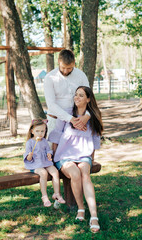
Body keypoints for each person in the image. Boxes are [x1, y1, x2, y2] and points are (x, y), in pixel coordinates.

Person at [48, 86, 103, 233]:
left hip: (84, 154)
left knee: (85, 173)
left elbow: (95, 138)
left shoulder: (92, 116)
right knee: (75, 173)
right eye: (76, 95)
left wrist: (91, 159)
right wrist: (53, 156)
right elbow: (56, 135)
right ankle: (81, 208)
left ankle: (94, 216)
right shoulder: (66, 114)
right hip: (64, 155)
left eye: (81, 95)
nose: (76, 97)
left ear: (88, 99)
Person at [44, 49, 91, 138]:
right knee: (52, 150)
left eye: (69, 68)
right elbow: (51, 104)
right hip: (55, 120)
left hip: (78, 121)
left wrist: (87, 116)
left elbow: (89, 98)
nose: (65, 71)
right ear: (58, 61)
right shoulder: (49, 77)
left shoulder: (81, 75)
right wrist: (70, 119)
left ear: (74, 63)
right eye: (63, 67)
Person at [23, 119, 65, 207]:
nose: (40, 133)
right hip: (35, 164)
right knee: (43, 173)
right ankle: (44, 197)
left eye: (42, 131)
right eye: (37, 131)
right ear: (32, 131)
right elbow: (28, 157)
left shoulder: (44, 141)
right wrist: (29, 156)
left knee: (55, 172)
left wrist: (49, 154)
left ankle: (57, 194)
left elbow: (48, 150)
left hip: (45, 162)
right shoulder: (30, 142)